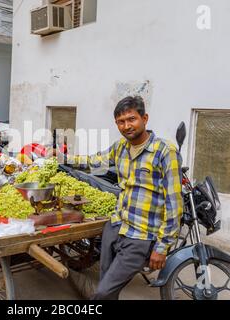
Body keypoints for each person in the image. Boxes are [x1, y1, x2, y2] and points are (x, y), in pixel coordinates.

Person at [64, 96, 183, 300]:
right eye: (121, 121)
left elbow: (174, 204)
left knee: (102, 292)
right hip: (116, 226)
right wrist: (61, 157)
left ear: (144, 118)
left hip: (141, 236)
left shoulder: (164, 151)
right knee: (107, 285)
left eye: (132, 119)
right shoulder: (120, 147)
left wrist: (162, 247)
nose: (127, 126)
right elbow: (94, 162)